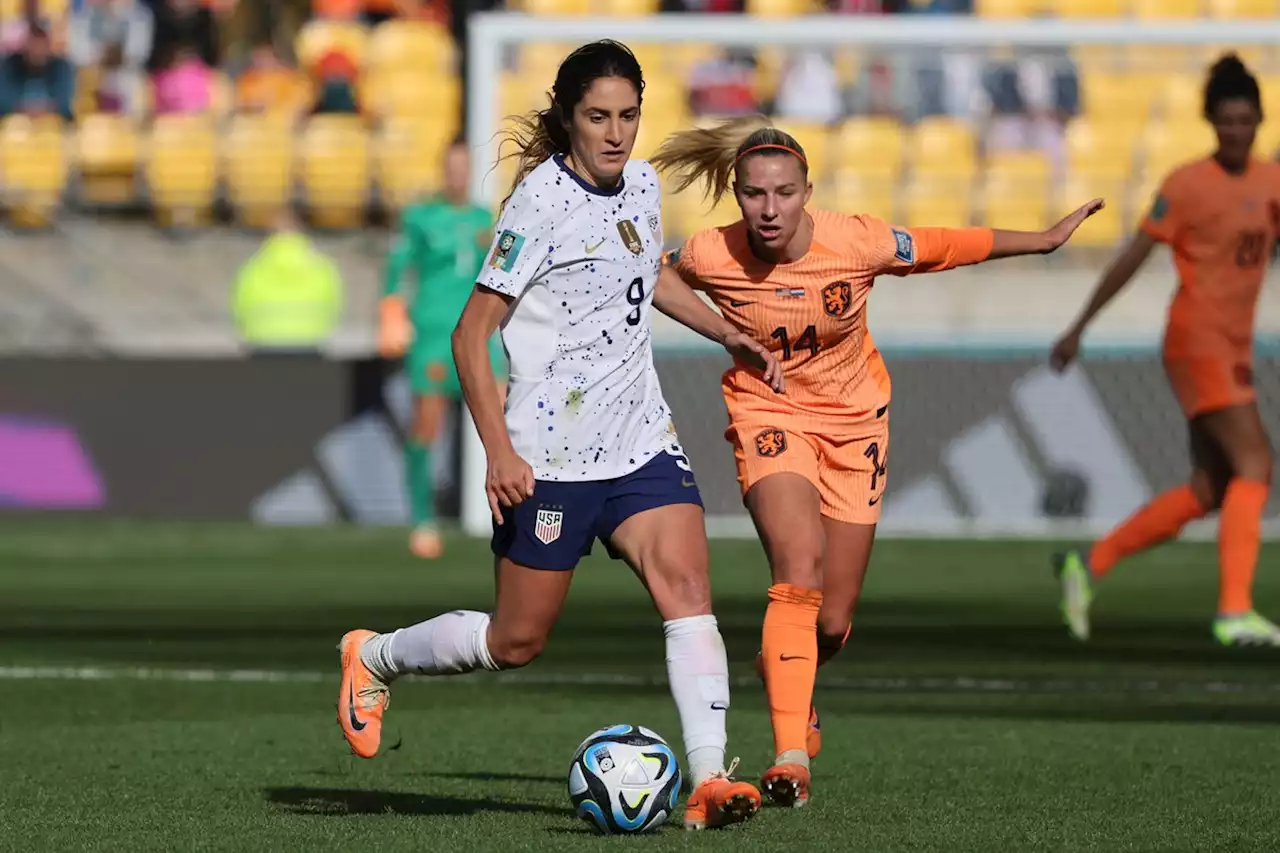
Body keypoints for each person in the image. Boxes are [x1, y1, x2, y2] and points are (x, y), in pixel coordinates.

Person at [336, 40, 784, 831]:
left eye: (629, 116)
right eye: (598, 117)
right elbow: (471, 335)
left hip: (640, 439)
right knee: (515, 640)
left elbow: (648, 272)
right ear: (570, 119)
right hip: (551, 459)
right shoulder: (538, 204)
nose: (617, 133)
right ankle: (375, 655)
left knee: (689, 595)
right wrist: (499, 451)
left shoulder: (641, 184)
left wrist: (725, 332)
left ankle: (710, 778)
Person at [650, 116, 1101, 808]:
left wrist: (1038, 240)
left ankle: (788, 667)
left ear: (808, 191)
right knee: (796, 565)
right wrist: (725, 332)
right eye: (753, 195)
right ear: (736, 194)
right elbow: (652, 274)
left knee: (830, 621)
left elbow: (945, 244)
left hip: (855, 425)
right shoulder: (713, 253)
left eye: (784, 193)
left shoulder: (854, 240)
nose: (769, 210)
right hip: (768, 414)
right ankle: (791, 753)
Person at [1049, 54, 1280, 648]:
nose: (1236, 131)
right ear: (1211, 122)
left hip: (1232, 345)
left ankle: (1090, 564)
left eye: (1246, 120)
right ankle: (1233, 611)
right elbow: (1132, 257)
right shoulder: (1186, 184)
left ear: (1259, 120)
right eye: (1226, 121)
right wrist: (1080, 325)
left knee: (1211, 487)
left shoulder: (1270, 183)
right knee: (1256, 465)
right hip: (1197, 339)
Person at [380, 138, 505, 559]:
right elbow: (397, 267)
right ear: (442, 170)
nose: (457, 174)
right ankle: (422, 519)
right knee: (427, 426)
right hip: (434, 335)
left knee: (506, 424)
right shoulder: (421, 218)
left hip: (480, 336)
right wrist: (391, 313)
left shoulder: (484, 219)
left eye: (463, 167)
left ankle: (512, 515)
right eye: (450, 166)